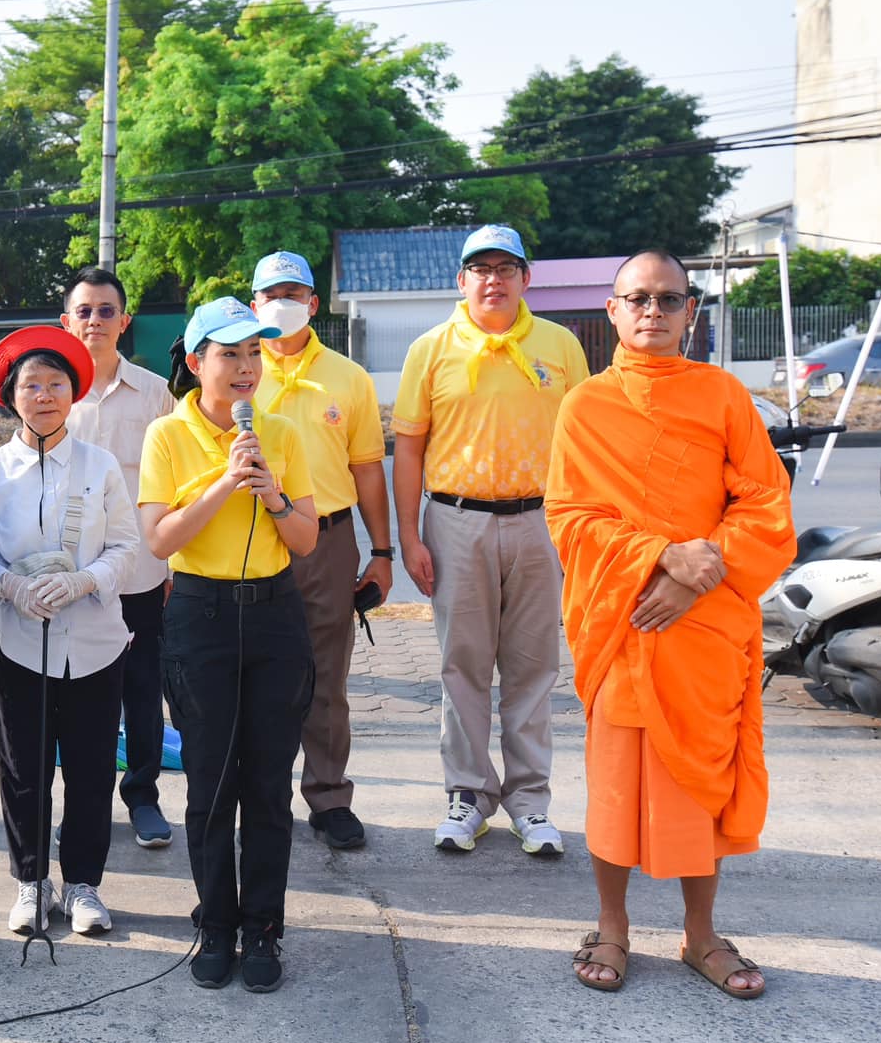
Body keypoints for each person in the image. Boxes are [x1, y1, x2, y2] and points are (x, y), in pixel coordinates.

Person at [548, 250, 794, 999]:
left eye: (667, 299)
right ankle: (613, 925)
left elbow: (765, 507)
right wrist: (660, 556)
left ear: (691, 312)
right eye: (637, 298)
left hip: (702, 622)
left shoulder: (723, 396)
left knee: (700, 785)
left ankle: (700, 934)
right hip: (625, 620)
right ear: (613, 312)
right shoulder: (586, 406)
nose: (652, 311)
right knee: (618, 782)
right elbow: (570, 517)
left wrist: (696, 578)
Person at [138, 297, 318, 994]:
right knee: (210, 783)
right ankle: (214, 922)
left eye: (254, 354)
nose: (246, 369)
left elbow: (303, 539)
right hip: (199, 616)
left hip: (274, 615)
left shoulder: (283, 432)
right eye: (229, 355)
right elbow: (160, 541)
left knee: (269, 784)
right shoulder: (166, 436)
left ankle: (263, 926)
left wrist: (272, 494)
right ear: (194, 363)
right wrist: (225, 481)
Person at [391, 224, 589, 857]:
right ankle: (468, 796)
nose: (494, 280)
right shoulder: (431, 348)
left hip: (541, 521)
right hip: (455, 521)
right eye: (481, 268)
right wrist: (406, 538)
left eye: (507, 268)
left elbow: (584, 441)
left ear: (526, 279)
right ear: (462, 281)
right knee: (462, 666)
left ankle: (530, 802)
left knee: (534, 668)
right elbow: (409, 449)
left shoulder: (560, 346)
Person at [0, 326, 141, 938]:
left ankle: (83, 884)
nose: (44, 395)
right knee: (23, 767)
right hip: (18, 643)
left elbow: (128, 545)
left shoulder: (100, 467)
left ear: (73, 393)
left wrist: (85, 581)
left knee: (92, 767)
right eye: (31, 385)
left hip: (96, 644)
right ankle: (31, 880)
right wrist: (10, 587)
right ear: (11, 396)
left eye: (56, 384)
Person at [251, 250, 393, 851]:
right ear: (254, 304)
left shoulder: (348, 376)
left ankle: (330, 797)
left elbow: (367, 471)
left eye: (295, 293)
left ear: (313, 303)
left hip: (328, 541)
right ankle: (257, 798)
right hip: (249, 538)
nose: (283, 303)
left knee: (324, 676)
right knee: (251, 676)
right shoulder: (231, 366)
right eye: (271, 294)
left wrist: (381, 551)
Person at [60, 266, 180, 849]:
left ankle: (144, 796)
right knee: (80, 691)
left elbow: (176, 481)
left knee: (141, 685)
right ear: (66, 321)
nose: (95, 321)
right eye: (84, 311)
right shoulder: (53, 392)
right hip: (74, 576)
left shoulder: (157, 392)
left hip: (142, 571)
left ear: (124, 321)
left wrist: (174, 564)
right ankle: (83, 801)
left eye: (107, 311)